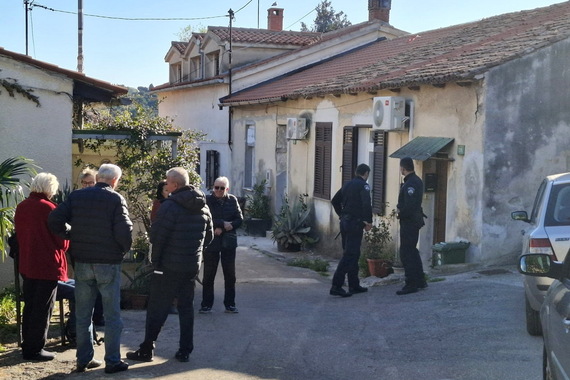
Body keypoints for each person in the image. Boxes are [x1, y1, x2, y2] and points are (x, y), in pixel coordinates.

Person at [48, 163, 133, 374]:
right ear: (114, 180)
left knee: (83, 314)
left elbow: (54, 219)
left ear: (99, 178)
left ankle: (83, 359)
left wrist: (71, 235)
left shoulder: (77, 197)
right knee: (113, 315)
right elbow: (125, 231)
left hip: (83, 262)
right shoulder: (115, 198)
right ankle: (112, 361)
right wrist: (121, 251)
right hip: (108, 263)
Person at [126, 167, 213, 363]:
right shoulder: (204, 206)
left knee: (157, 308)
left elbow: (158, 237)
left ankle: (147, 349)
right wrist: (195, 255)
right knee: (186, 308)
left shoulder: (169, 206)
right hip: (190, 266)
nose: (165, 184)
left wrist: (155, 262)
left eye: (167, 181)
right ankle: (185, 350)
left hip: (167, 266)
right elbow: (208, 236)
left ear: (174, 184)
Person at [15, 173, 69, 361]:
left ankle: (27, 345)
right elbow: (62, 242)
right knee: (43, 308)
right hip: (47, 265)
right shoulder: (50, 209)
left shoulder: (21, 207)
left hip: (27, 263)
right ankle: (35, 349)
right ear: (50, 189)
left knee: (30, 305)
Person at [199, 176, 243, 314]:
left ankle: (230, 304)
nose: (218, 190)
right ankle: (206, 305)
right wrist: (220, 224)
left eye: (221, 188)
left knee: (230, 275)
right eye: (216, 187)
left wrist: (224, 227)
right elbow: (205, 217)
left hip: (228, 243)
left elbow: (239, 219)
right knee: (208, 275)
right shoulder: (207, 200)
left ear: (227, 189)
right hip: (212, 242)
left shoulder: (232, 200)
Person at [330, 164, 373, 297]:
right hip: (355, 223)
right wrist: (368, 221)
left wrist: (341, 215)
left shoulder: (347, 184)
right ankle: (336, 285)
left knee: (353, 254)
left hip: (345, 223)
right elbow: (366, 204)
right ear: (366, 174)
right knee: (350, 254)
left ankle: (354, 285)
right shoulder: (363, 186)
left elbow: (334, 201)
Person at [396, 157, 427, 295]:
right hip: (413, 221)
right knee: (412, 251)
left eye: (400, 168)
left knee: (406, 252)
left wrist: (400, 213)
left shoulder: (410, 184)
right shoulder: (416, 181)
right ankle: (420, 280)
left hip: (409, 221)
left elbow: (409, 206)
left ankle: (411, 283)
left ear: (403, 168)